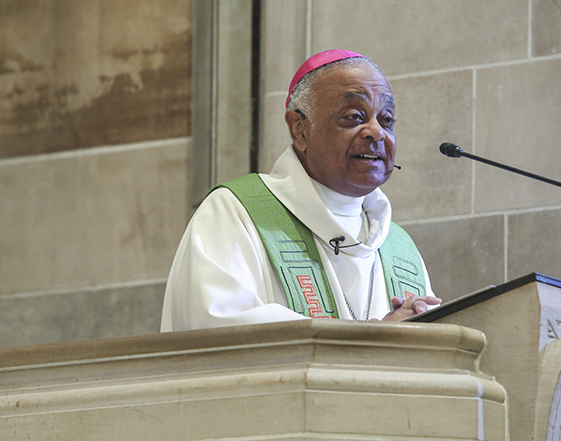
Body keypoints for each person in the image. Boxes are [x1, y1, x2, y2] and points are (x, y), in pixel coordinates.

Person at [161, 49, 440, 331]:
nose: (376, 132)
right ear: (299, 130)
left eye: (387, 119)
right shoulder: (236, 212)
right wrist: (373, 339)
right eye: (355, 116)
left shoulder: (398, 249)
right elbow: (216, 328)